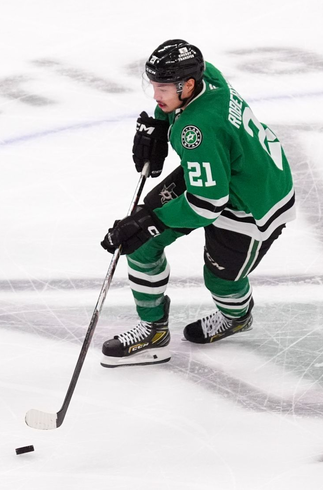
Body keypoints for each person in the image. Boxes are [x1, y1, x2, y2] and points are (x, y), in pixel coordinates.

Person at [98, 39, 296, 368]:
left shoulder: (197, 129)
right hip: (223, 172)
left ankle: (236, 317)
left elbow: (207, 204)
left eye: (163, 88)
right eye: (154, 86)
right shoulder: (208, 77)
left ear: (188, 84)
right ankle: (154, 331)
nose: (155, 96)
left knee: (220, 279)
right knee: (141, 242)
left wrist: (151, 222)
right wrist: (160, 126)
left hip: (253, 203)